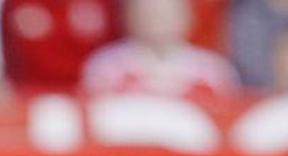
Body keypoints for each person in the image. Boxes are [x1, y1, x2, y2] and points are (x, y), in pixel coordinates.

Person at [81, 0, 238, 97]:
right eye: (148, 12)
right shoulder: (106, 67)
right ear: (129, 16)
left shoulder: (213, 71)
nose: (157, 20)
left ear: (188, 16)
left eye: (165, 13)